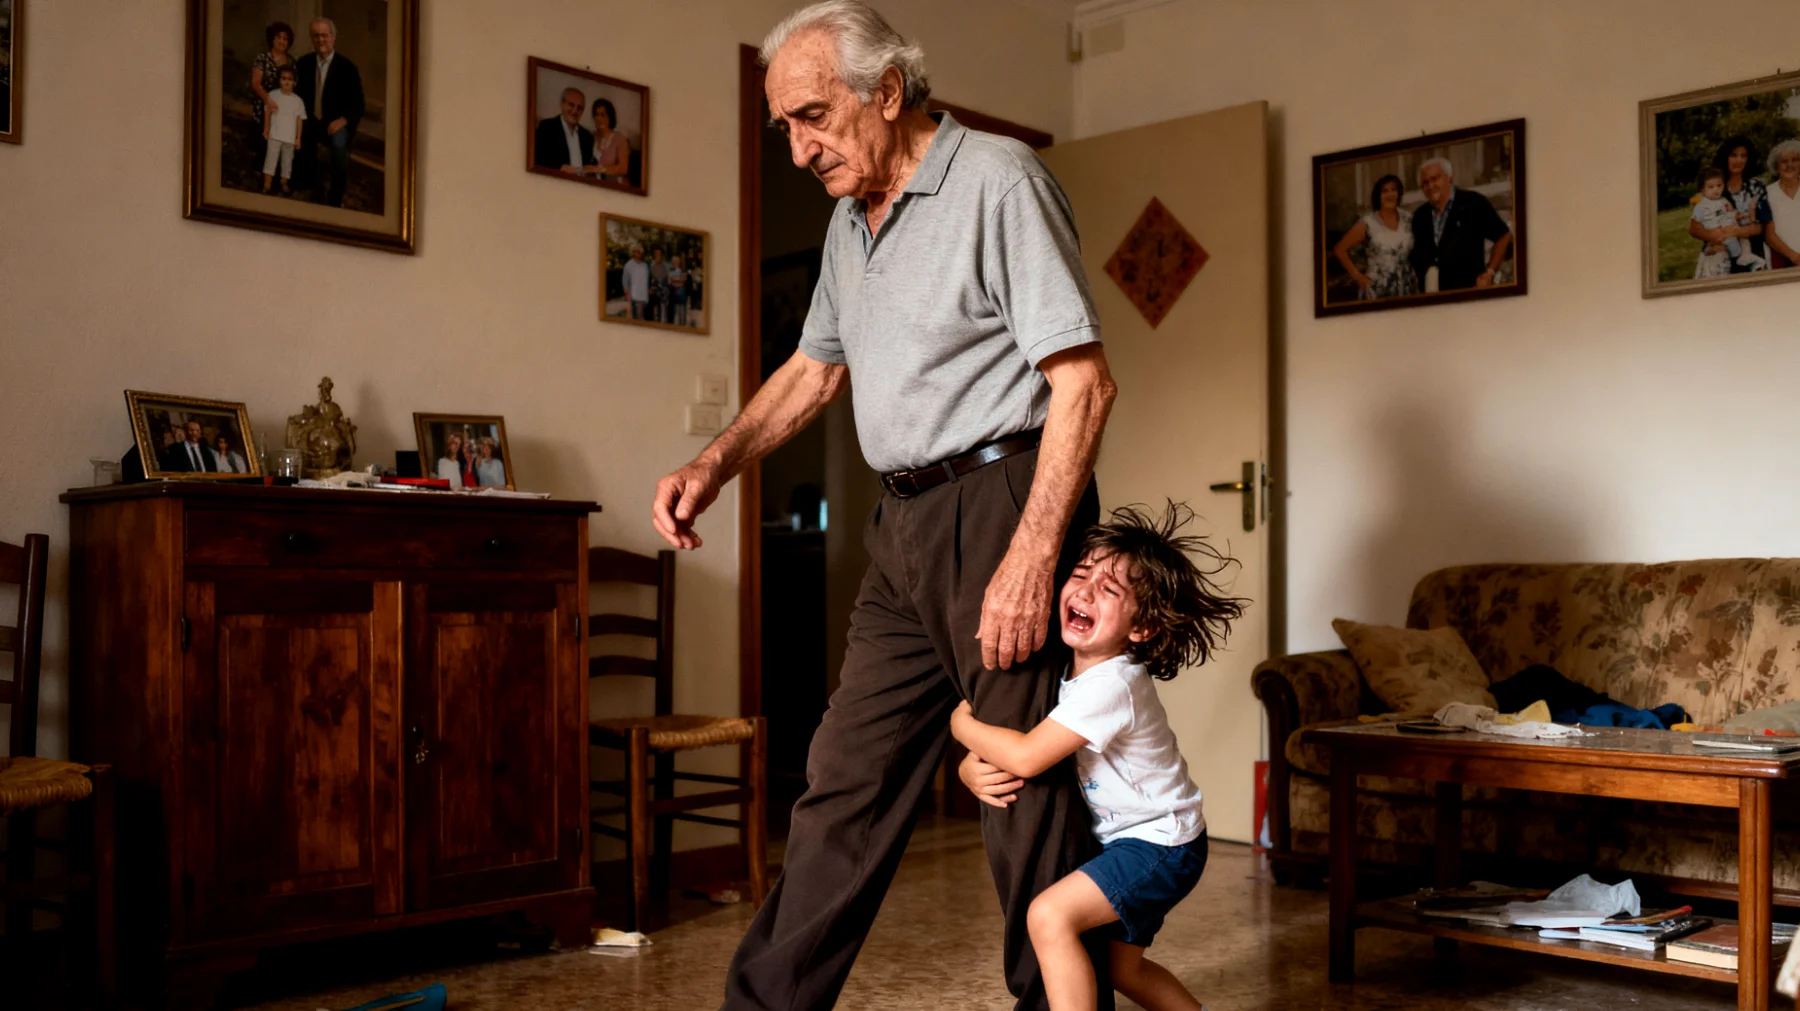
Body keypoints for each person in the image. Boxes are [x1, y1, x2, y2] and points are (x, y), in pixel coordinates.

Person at [651, 4, 1120, 1008]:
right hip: (902, 523)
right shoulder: (847, 221)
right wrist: (714, 463)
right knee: (844, 780)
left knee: (1022, 792)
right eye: (783, 126)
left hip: (1003, 502)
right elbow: (816, 371)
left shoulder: (998, 180)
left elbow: (1083, 384)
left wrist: (1032, 555)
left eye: (813, 117)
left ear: (889, 91)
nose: (797, 149)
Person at [951, 502, 1242, 1011]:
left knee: (1049, 916)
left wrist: (961, 728)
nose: (1085, 591)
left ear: (1142, 627)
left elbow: (1027, 757)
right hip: (1156, 838)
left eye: (1110, 590)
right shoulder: (1070, 671)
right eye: (1081, 575)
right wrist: (968, 769)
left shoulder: (1113, 683)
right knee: (1122, 969)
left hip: (1158, 844)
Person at [1407, 156, 1512, 292]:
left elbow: (1503, 235)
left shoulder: (1473, 203)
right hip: (1433, 298)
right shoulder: (1419, 216)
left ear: (1449, 178)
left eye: (1435, 179)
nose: (1430, 186)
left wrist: (1490, 272)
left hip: (1469, 293)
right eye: (1425, 183)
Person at [294, 17, 364, 208]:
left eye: (324, 35)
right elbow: (296, 96)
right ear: (311, 38)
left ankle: (335, 196)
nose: (320, 40)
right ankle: (311, 187)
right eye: (316, 36)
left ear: (333, 37)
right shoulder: (303, 64)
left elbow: (358, 104)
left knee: (339, 145)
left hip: (336, 122)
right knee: (297, 135)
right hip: (312, 119)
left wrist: (343, 121)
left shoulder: (347, 68)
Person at [1330, 173, 1416, 300]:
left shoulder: (1408, 219)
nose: (1390, 194)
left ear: (1399, 194)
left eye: (1394, 190)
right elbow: (1339, 249)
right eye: (1385, 191)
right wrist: (1357, 276)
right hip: (1377, 291)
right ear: (1378, 196)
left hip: (1407, 288)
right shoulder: (1368, 223)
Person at [1692, 168, 1762, 276]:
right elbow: (1696, 224)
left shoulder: (1723, 201)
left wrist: (1737, 215)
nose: (1716, 190)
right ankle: (1737, 257)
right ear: (1702, 190)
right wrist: (1711, 233)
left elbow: (1730, 213)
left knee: (1742, 240)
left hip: (1729, 230)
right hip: (1716, 232)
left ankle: (1744, 257)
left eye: (1719, 186)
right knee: (1732, 248)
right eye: (1711, 187)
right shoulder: (1702, 205)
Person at [261, 65, 307, 195]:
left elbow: (300, 120)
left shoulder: (298, 101)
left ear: (294, 82)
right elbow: (267, 112)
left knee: (287, 162)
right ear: (279, 80)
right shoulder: (273, 95)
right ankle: (267, 184)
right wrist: (266, 128)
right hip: (275, 135)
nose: (286, 82)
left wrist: (298, 138)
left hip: (289, 138)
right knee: (270, 160)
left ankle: (284, 182)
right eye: (283, 78)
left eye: (290, 79)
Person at [247, 22, 297, 139]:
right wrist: (269, 100)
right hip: (265, 104)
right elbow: (255, 83)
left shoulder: (292, 61)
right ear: (271, 39)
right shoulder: (262, 58)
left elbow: (294, 86)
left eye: (285, 39)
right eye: (278, 37)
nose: (282, 41)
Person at [535, 86, 594, 174]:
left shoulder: (587, 137)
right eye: (571, 105)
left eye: (579, 108)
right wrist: (561, 168)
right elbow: (537, 158)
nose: (575, 111)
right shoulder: (547, 127)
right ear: (562, 104)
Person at [1761, 139, 1800, 270]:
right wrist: (1794, 257)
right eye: (1784, 161)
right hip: (1783, 261)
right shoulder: (1767, 193)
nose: (1790, 165)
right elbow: (1769, 235)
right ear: (1776, 166)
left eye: (1795, 160)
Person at [589, 97, 631, 183]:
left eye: (602, 115)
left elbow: (623, 168)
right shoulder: (589, 137)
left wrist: (600, 169)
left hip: (613, 183)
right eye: (596, 114)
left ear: (610, 117)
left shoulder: (620, 139)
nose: (598, 118)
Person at [621, 243, 651, 319]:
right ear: (633, 252)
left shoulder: (645, 266)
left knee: (641, 317)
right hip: (633, 297)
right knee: (636, 318)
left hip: (644, 297)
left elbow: (647, 281)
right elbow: (625, 282)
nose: (638, 253)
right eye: (636, 251)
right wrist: (628, 298)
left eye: (640, 251)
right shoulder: (628, 265)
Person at [648, 246, 670, 323]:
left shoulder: (666, 266)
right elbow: (649, 279)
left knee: (663, 314)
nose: (658, 255)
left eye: (659, 254)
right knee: (653, 314)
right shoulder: (651, 265)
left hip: (663, 294)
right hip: (654, 293)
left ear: (662, 255)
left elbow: (667, 280)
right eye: (656, 254)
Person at [668, 253, 690, 326]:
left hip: (682, 295)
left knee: (682, 315)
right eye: (674, 261)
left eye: (677, 261)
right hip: (673, 296)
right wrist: (677, 282)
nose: (675, 263)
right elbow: (670, 282)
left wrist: (675, 281)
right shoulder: (670, 272)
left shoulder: (683, 271)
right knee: (676, 315)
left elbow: (683, 281)